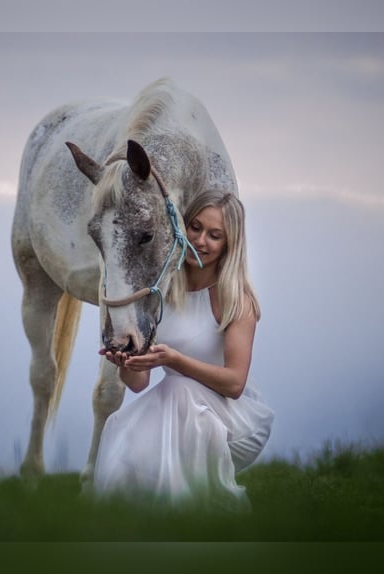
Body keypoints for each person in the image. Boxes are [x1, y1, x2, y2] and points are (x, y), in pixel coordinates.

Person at [93, 189, 275, 512]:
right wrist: (126, 362)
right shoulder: (161, 289)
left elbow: (234, 384)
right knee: (124, 429)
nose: (201, 240)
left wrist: (174, 360)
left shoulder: (236, 299)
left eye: (214, 235)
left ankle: (191, 517)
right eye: (195, 227)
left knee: (179, 389)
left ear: (229, 244)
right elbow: (139, 384)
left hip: (227, 417)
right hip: (171, 405)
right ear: (182, 227)